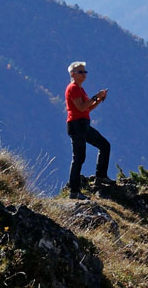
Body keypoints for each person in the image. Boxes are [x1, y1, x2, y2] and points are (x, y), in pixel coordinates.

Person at [65, 60, 111, 199]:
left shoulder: (80, 89)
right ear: (73, 74)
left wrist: (99, 99)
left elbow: (88, 108)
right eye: (81, 72)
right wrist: (96, 96)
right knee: (79, 157)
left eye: (85, 72)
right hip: (76, 125)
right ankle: (74, 191)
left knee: (104, 145)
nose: (84, 74)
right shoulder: (72, 88)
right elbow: (81, 107)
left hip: (83, 124)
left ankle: (101, 176)